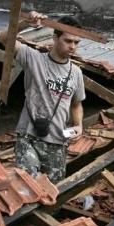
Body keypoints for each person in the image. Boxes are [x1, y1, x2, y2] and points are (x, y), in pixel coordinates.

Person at [11, 13, 85, 182]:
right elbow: (4, 38)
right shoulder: (33, 58)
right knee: (28, 183)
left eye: (76, 42)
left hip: (57, 141)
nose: (73, 46)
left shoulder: (76, 73)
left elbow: (76, 104)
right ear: (55, 38)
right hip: (29, 136)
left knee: (54, 189)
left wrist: (78, 125)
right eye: (68, 41)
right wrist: (25, 23)